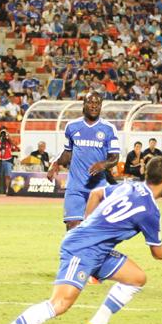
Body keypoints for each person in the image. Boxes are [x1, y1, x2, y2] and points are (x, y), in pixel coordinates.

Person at [0, 157, 162, 324]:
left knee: (136, 278)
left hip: (99, 250)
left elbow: (96, 194)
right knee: (60, 303)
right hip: (82, 250)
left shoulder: (130, 186)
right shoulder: (150, 210)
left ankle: (98, 323)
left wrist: (87, 224)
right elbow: (158, 253)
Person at [47, 92, 120, 230]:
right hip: (75, 187)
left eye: (97, 103)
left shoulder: (109, 129)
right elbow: (67, 152)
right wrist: (55, 163)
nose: (94, 106)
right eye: (90, 102)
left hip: (97, 188)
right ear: (84, 104)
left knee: (95, 229)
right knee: (72, 226)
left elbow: (115, 158)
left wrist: (103, 164)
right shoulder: (72, 126)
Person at [0, 127, 13, 195]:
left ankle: (8, 190)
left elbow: (12, 143)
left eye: (4, 132)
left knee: (8, 176)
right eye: (2, 132)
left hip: (8, 160)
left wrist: (8, 135)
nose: (3, 134)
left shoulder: (8, 141)